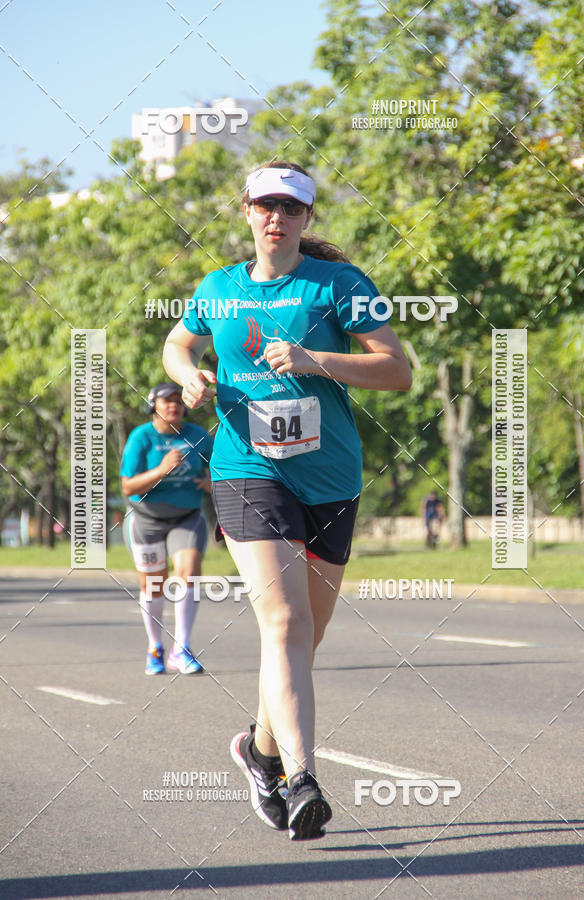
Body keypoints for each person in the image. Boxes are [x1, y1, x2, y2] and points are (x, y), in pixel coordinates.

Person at [162, 161, 412, 839]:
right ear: (246, 211)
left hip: (330, 478)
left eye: (291, 208)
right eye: (265, 205)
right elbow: (177, 343)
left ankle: (260, 750)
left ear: (307, 218)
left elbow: (397, 370)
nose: (277, 217)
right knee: (284, 623)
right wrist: (190, 375)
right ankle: (303, 780)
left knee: (303, 637)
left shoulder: (341, 285)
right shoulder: (218, 288)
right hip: (246, 469)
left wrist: (315, 359)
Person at [120, 382, 213, 674]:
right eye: (167, 401)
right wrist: (161, 470)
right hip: (146, 519)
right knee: (153, 583)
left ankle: (181, 648)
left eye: (178, 401)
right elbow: (128, 487)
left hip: (187, 516)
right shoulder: (141, 437)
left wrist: (212, 483)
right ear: (153, 405)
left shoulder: (198, 436)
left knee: (189, 571)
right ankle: (155, 647)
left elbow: (219, 469)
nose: (174, 405)